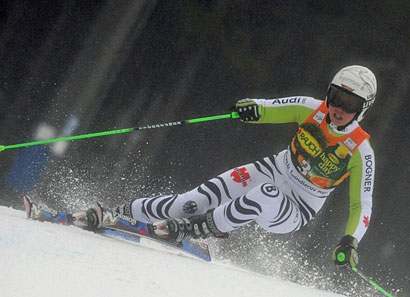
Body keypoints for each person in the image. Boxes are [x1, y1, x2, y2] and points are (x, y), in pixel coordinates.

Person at [93, 65, 376, 267]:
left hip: (295, 208)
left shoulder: (361, 151)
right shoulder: (310, 107)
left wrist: (350, 241)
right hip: (272, 170)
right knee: (192, 201)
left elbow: (361, 206)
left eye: (349, 104)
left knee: (265, 193)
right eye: (336, 97)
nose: (338, 108)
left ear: (362, 109)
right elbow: (266, 107)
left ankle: (197, 230)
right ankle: (117, 214)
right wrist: (249, 108)